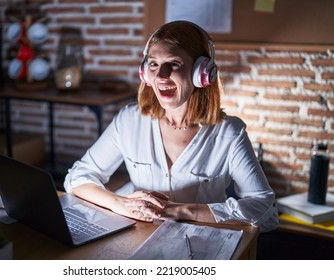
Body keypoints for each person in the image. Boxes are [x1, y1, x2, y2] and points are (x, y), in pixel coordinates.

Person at [64, 20, 278, 232]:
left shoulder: (229, 132)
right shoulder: (129, 120)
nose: (160, 76)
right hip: (139, 239)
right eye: (154, 64)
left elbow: (263, 207)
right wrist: (120, 203)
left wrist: (181, 211)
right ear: (144, 73)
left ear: (201, 73)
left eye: (174, 64)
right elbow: (77, 178)